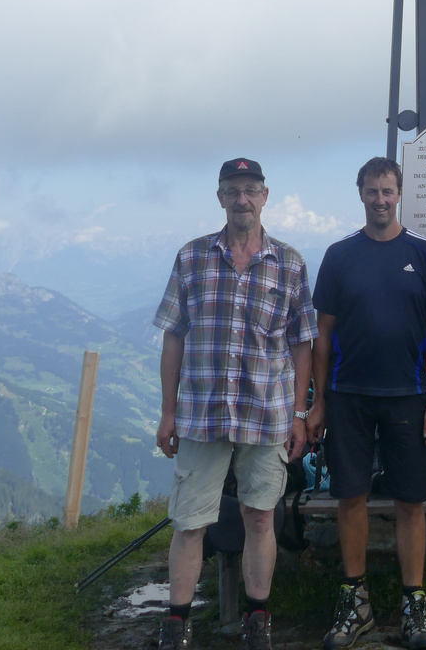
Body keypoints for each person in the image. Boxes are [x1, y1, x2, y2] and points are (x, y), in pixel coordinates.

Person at [154, 159, 315, 650]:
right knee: (189, 520)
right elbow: (174, 337)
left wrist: (300, 414)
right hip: (202, 413)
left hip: (266, 413)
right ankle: (177, 622)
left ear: (265, 196)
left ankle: (257, 618)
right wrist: (167, 411)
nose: (242, 199)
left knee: (261, 516)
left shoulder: (289, 263)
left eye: (250, 190)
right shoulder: (192, 257)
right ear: (219, 197)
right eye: (232, 190)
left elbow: (302, 343)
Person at [307, 157, 426, 650]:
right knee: (350, 497)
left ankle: (414, 605)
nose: (381, 200)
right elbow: (322, 332)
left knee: (412, 501)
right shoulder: (339, 255)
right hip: (347, 396)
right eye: (372, 192)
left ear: (400, 192)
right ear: (360, 194)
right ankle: (355, 600)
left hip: (410, 397)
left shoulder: (424, 254)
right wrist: (318, 402)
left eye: (388, 191)